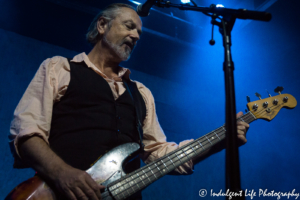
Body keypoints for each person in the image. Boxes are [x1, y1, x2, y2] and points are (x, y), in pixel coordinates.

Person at [9, 3, 249, 200]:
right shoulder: (59, 68)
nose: (135, 36)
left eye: (139, 33)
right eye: (129, 26)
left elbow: (159, 154)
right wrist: (62, 174)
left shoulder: (140, 93)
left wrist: (220, 142)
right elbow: (27, 133)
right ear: (103, 25)